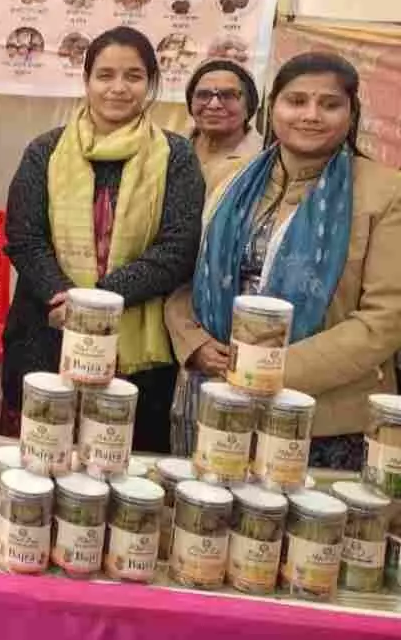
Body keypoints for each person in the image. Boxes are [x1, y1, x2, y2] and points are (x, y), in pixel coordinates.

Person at [166, 52, 401, 469]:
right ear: (273, 107)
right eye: (296, 101)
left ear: (352, 113)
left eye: (329, 104)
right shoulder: (228, 180)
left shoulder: (384, 193)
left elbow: (384, 319)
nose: (310, 115)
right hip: (214, 401)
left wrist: (264, 370)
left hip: (319, 418)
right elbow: (186, 278)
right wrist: (193, 342)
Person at [0, 26, 204, 452]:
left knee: (118, 462)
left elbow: (176, 250)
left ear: (151, 83)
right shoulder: (45, 150)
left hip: (136, 355)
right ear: (86, 80)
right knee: (38, 460)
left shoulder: (177, 156)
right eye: (105, 75)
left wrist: (94, 304)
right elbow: (24, 237)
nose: (118, 88)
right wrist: (63, 297)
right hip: (46, 331)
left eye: (133, 76)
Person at [185, 59, 262, 193]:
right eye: (203, 95)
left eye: (228, 95)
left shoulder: (264, 159)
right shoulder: (168, 148)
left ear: (248, 106)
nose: (214, 105)